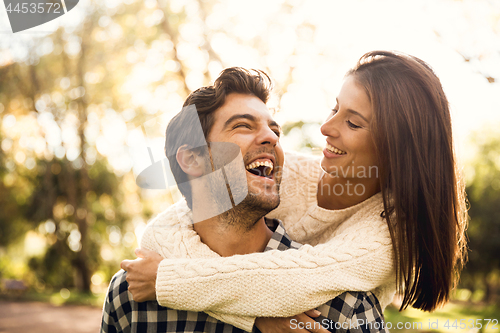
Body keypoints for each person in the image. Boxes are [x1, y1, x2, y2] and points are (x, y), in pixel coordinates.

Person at [123, 51, 468, 333]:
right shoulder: (285, 172)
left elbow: (298, 281)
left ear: (394, 151)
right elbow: (174, 222)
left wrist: (169, 282)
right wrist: (255, 317)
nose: (325, 127)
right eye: (335, 109)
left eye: (353, 122)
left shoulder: (386, 238)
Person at [104, 67, 387, 333]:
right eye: (243, 126)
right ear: (192, 158)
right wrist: (253, 316)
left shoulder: (344, 308)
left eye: (275, 131)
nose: (272, 138)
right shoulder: (130, 297)